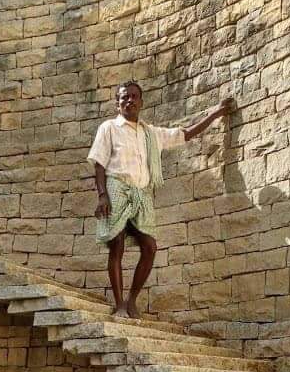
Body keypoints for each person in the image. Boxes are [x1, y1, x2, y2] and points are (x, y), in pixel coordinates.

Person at [87, 81, 232, 318]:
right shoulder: (109, 128)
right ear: (117, 103)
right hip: (116, 188)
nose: (129, 100)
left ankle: (132, 300)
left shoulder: (150, 133)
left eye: (134, 97)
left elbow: (185, 134)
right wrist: (102, 195)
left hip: (141, 194)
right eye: (124, 97)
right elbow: (99, 163)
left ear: (141, 102)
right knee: (118, 245)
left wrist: (216, 112)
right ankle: (119, 304)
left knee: (150, 246)